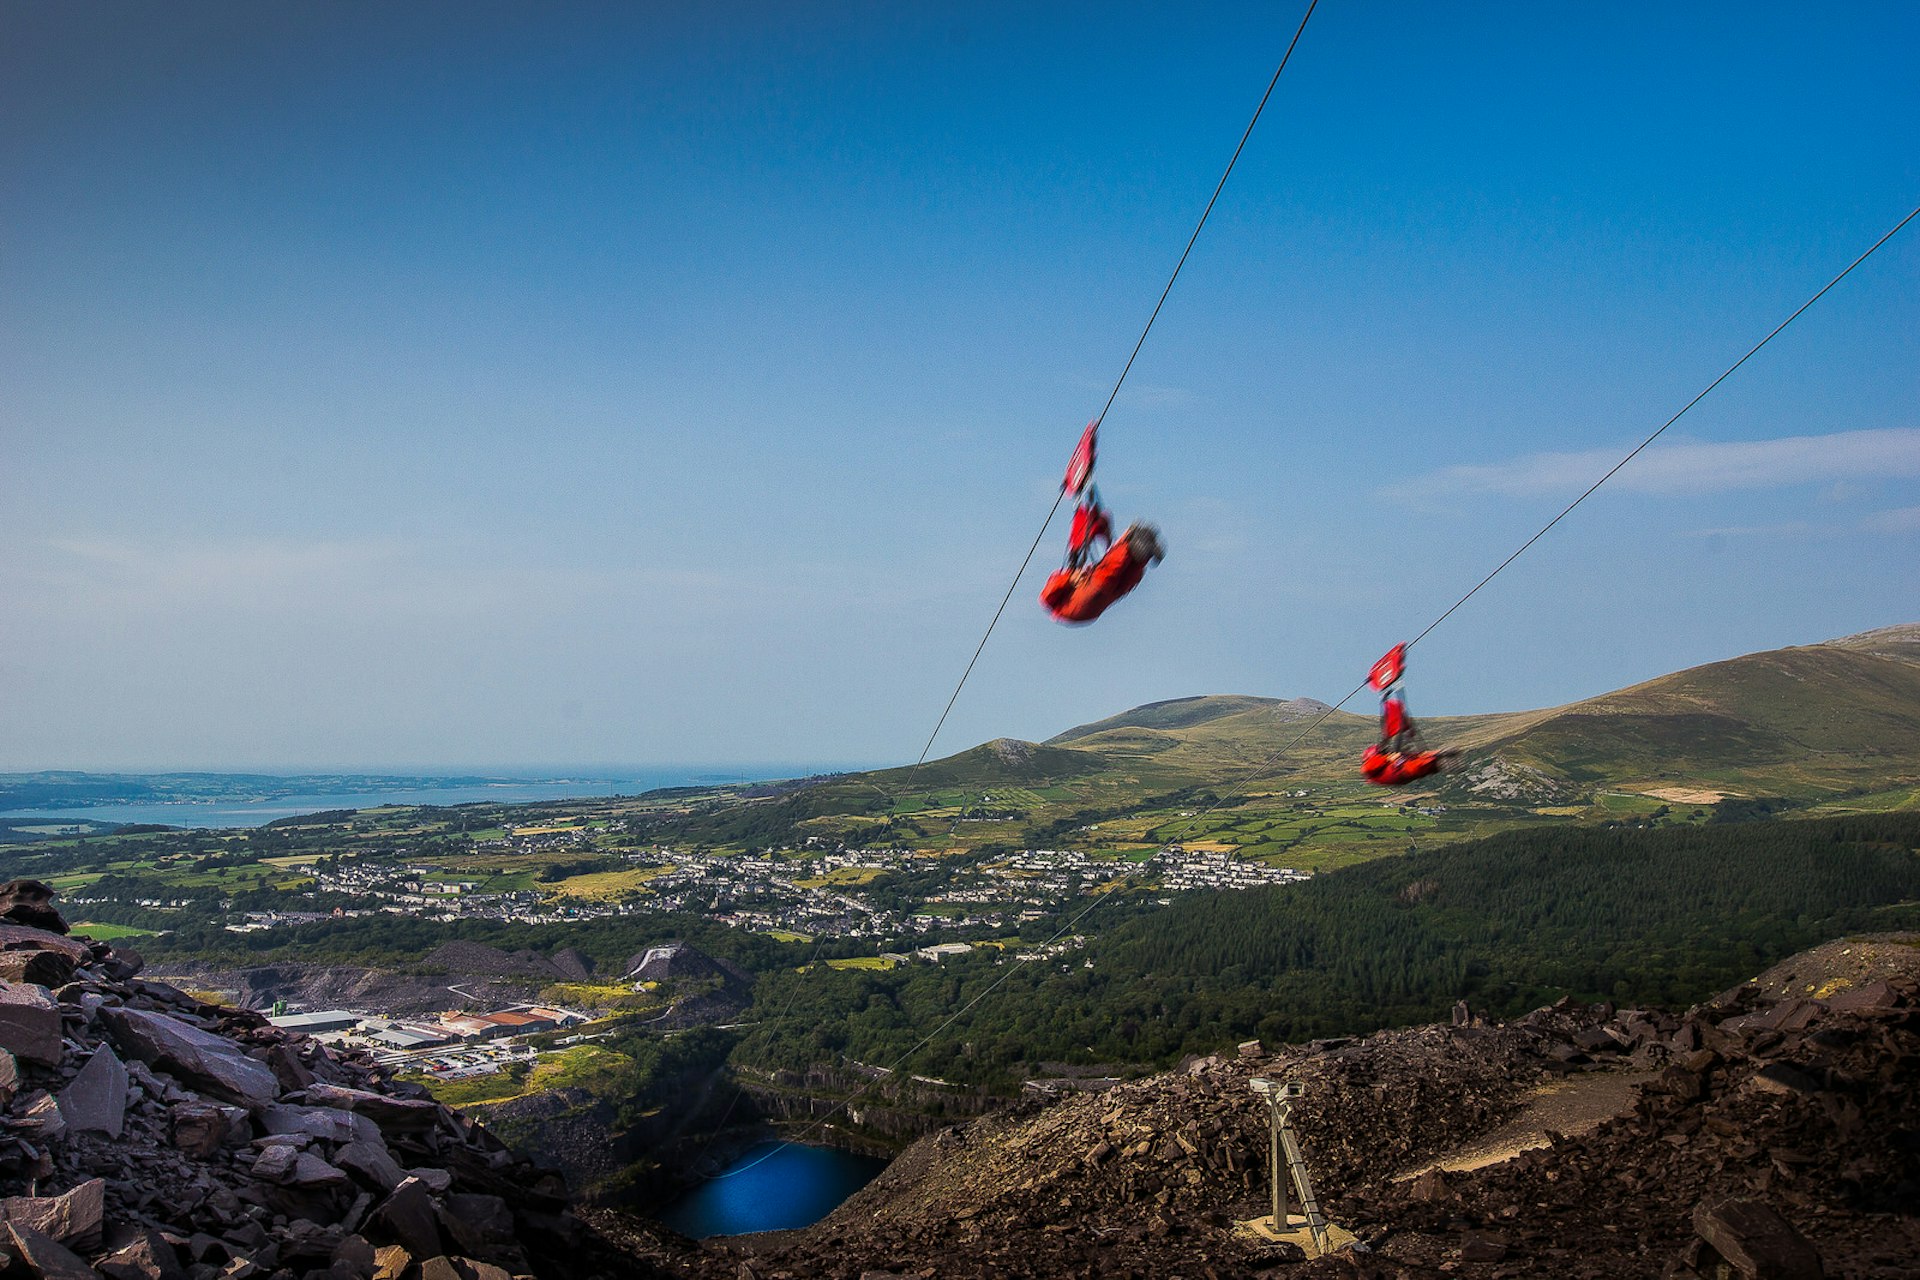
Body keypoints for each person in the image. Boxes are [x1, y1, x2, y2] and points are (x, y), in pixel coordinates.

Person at [1040, 520, 1164, 624]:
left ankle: (1140, 551)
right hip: (1078, 605)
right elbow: (1045, 597)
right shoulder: (1060, 602)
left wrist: (1125, 539)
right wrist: (1069, 579)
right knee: (1105, 575)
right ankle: (1136, 547)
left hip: (1093, 604)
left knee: (1121, 576)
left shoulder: (1075, 579)